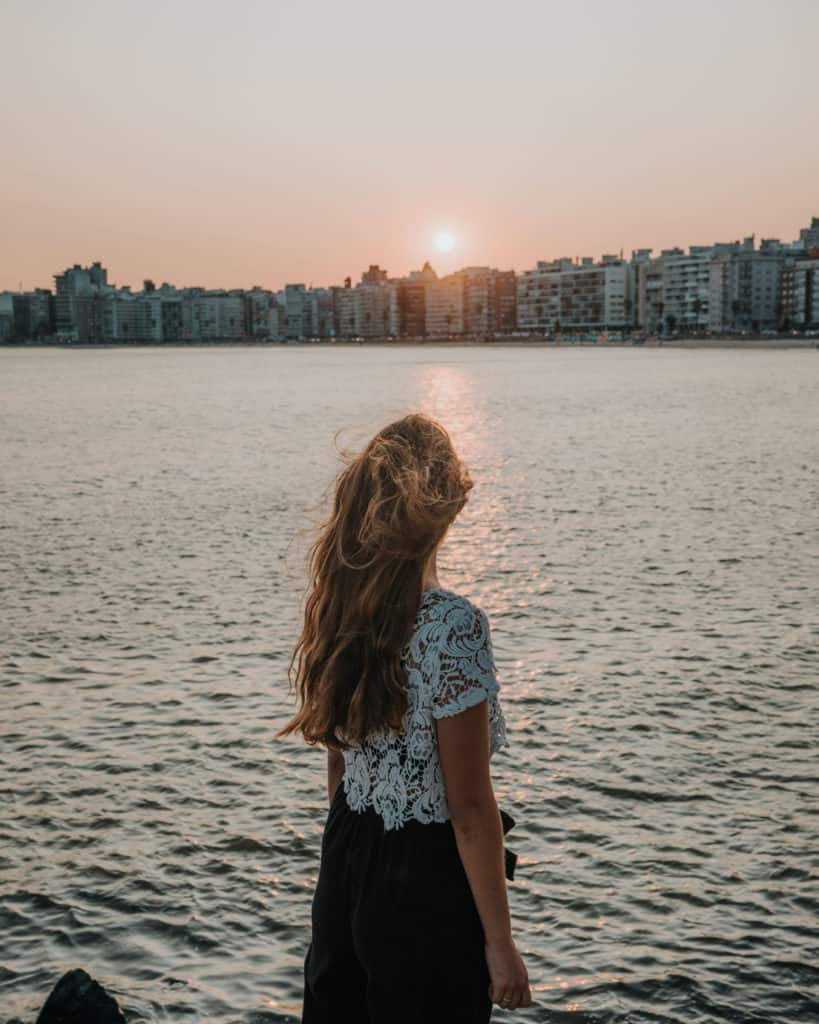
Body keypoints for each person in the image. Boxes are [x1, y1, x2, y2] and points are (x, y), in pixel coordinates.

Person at [277, 412, 532, 1022]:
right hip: (421, 883)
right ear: (443, 511)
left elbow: (339, 760)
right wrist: (501, 946)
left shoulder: (340, 608)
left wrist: (344, 862)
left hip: (345, 854)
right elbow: (469, 807)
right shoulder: (452, 626)